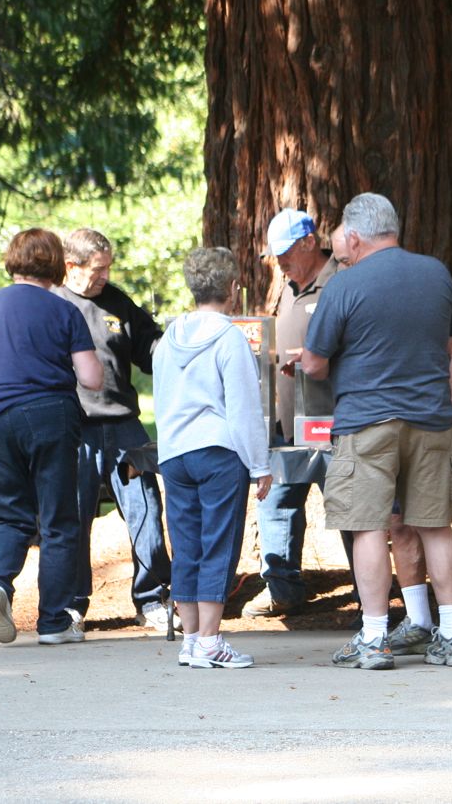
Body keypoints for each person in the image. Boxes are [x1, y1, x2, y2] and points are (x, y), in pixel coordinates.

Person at [297, 192, 452, 670]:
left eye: (342, 240)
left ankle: (375, 637)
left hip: (367, 422)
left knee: (369, 527)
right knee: (435, 525)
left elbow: (314, 364)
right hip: (432, 420)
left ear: (354, 236)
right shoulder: (436, 273)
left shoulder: (343, 286)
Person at [0, 228, 103, 645]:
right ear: (56, 265)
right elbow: (90, 376)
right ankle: (53, 623)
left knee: (9, 515)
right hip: (49, 416)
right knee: (58, 520)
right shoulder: (64, 310)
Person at [154, 247, 273, 669]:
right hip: (218, 451)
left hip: (174, 452)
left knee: (185, 545)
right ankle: (210, 640)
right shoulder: (229, 338)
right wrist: (260, 465)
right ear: (233, 289)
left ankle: (190, 640)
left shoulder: (167, 338)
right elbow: (243, 408)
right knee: (219, 543)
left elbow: (162, 397)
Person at [53, 228, 175, 633]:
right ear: (71, 266)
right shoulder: (53, 303)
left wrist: (181, 348)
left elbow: (151, 349)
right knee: (73, 515)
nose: (104, 275)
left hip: (124, 427)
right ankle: (70, 606)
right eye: (98, 269)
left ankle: (152, 597)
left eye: (108, 268)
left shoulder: (117, 301)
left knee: (146, 510)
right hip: (75, 430)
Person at [240, 209, 343, 618]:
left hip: (332, 420)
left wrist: (313, 357)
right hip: (289, 423)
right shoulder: (288, 285)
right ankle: (283, 587)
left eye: (285, 252)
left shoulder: (338, 282)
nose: (279, 261)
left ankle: (372, 596)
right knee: (277, 502)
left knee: (349, 509)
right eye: (275, 254)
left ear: (308, 243)